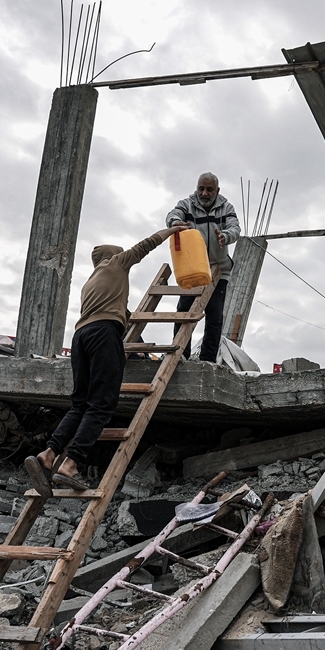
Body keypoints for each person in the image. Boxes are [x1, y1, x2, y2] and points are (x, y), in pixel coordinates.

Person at [26, 224, 187, 493]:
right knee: (101, 406)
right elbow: (144, 246)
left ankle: (49, 453)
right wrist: (170, 231)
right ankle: (71, 464)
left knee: (80, 404)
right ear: (112, 255)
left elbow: (121, 311)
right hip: (103, 335)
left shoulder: (91, 283)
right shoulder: (115, 264)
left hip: (80, 337)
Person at [166, 172, 241, 363]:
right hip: (193, 269)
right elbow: (172, 214)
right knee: (184, 311)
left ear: (217, 191)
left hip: (219, 270)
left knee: (214, 314)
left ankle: (207, 358)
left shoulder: (226, 207)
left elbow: (235, 228)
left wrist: (225, 236)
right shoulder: (187, 204)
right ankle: (180, 353)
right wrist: (175, 222)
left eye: (209, 189)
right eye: (201, 188)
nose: (204, 193)